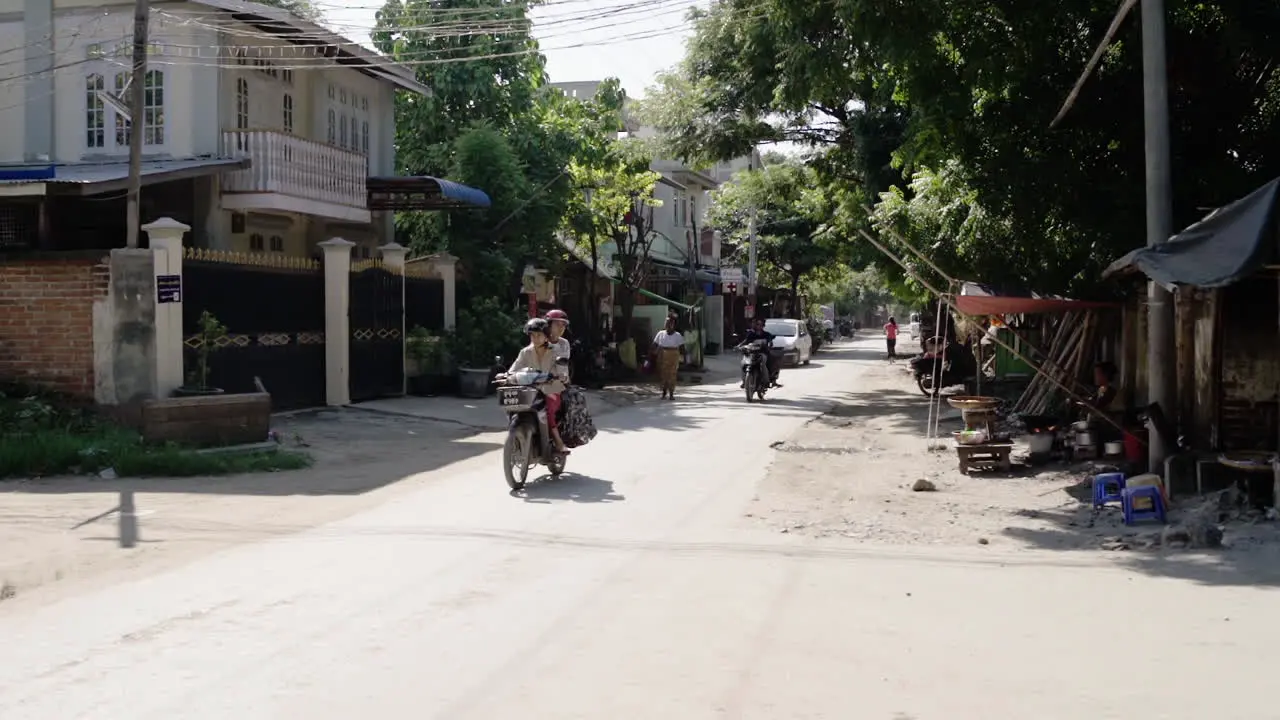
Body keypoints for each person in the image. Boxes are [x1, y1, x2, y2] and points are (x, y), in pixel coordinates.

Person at [508, 318, 571, 453]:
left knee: (547, 410)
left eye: (539, 335)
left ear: (546, 336)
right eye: (532, 335)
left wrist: (562, 375)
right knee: (513, 403)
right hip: (531, 389)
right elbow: (515, 367)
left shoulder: (556, 351)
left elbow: (562, 368)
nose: (535, 338)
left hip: (552, 388)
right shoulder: (525, 352)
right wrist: (505, 376)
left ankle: (558, 442)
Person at [739, 317, 781, 388]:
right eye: (757, 324)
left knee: (763, 364)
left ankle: (766, 381)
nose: (759, 326)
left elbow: (770, 340)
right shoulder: (751, 334)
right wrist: (739, 346)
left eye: (760, 325)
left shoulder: (766, 334)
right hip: (751, 354)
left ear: (763, 326)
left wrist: (770, 343)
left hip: (762, 354)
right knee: (743, 363)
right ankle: (744, 381)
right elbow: (745, 341)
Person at [652, 315, 685, 400]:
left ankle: (671, 393)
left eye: (670, 323)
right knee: (663, 374)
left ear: (674, 324)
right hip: (662, 355)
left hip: (673, 355)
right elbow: (654, 344)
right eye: (666, 323)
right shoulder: (660, 333)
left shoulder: (678, 335)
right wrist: (651, 354)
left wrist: (683, 359)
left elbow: (682, 348)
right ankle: (663, 392)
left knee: (672, 375)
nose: (668, 325)